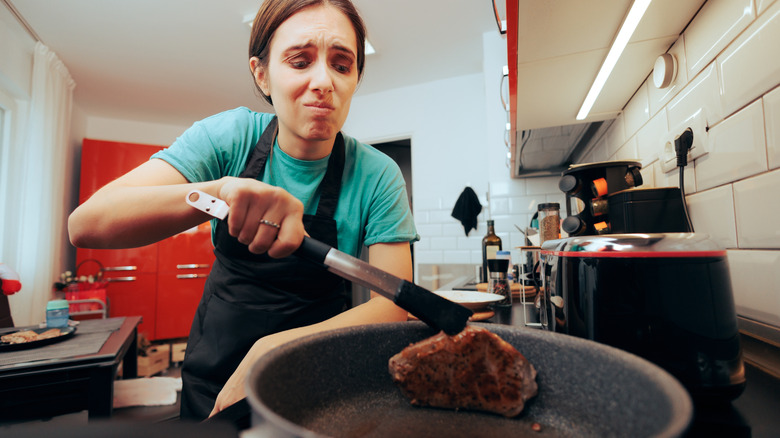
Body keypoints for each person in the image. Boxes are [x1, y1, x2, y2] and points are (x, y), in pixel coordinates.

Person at [68, 0, 418, 421]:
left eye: (342, 65)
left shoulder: (377, 174)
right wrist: (220, 192)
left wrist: (276, 348)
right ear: (262, 73)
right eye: (300, 60)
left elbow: (397, 301)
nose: (323, 80)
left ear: (356, 77)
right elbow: (86, 224)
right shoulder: (228, 138)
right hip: (215, 370)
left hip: (316, 374)